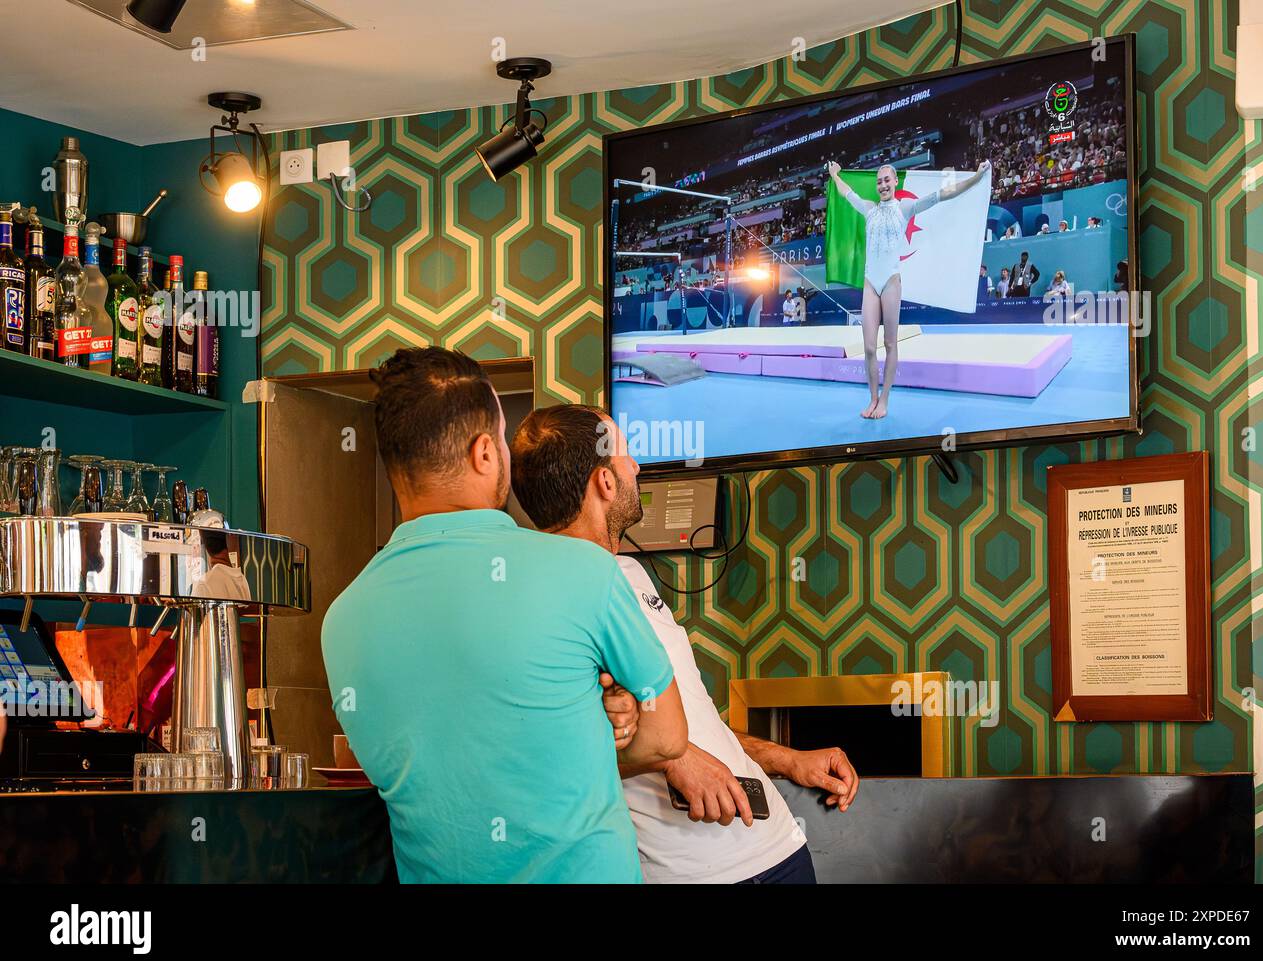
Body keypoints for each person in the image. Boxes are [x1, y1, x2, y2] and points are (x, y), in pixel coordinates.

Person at [321, 347, 688, 883]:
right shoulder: (586, 570)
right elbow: (667, 737)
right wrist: (593, 719)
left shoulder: (341, 621)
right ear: (486, 452)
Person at [509, 405, 860, 884]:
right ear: (605, 483)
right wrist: (673, 756)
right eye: (626, 456)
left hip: (778, 849)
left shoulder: (629, 573)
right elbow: (545, 749)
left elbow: (697, 721)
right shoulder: (539, 600)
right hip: (699, 875)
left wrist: (787, 759)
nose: (636, 467)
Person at [827, 158, 990, 419]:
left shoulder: (904, 208)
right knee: (869, 347)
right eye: (879, 182)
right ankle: (872, 398)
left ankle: (885, 400)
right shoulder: (869, 209)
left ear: (894, 182)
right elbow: (847, 193)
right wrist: (835, 174)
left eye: (887, 180)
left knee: (890, 343)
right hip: (870, 283)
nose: (882, 185)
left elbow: (942, 195)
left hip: (891, 282)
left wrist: (975, 178)